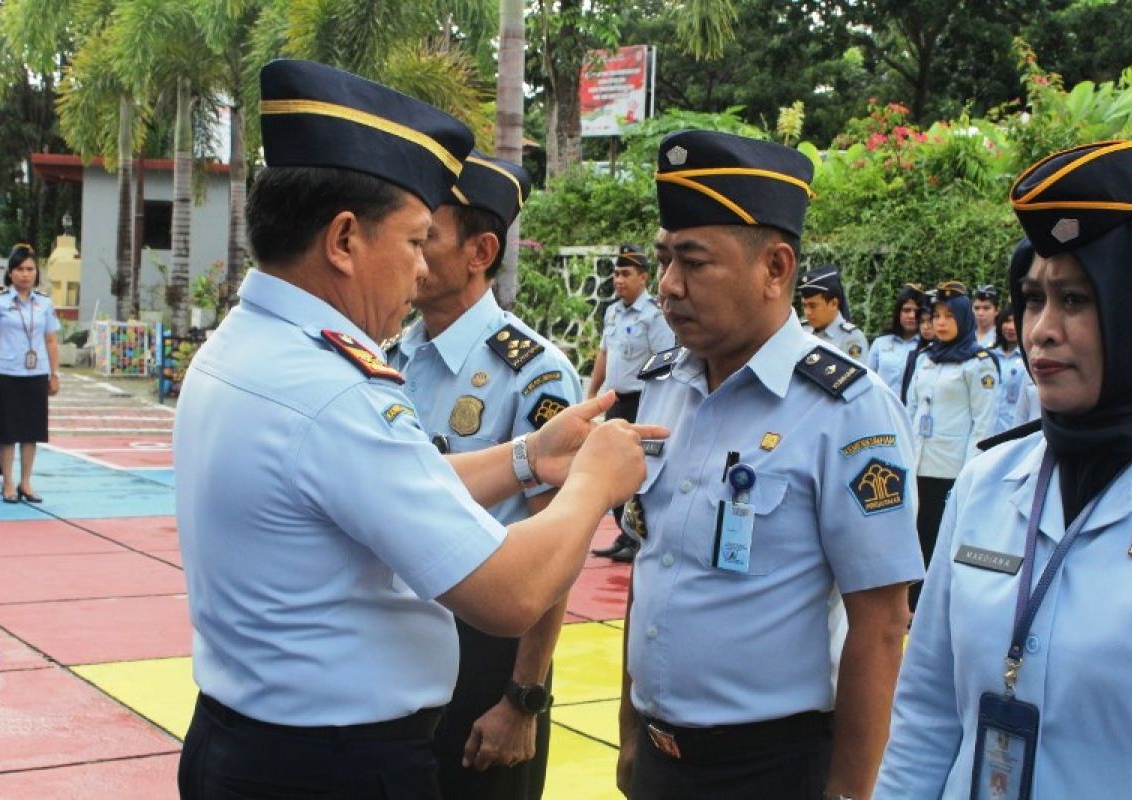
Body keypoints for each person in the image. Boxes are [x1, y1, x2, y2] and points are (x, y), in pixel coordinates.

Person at [173, 59, 666, 800]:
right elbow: (508, 593)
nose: (415, 272)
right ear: (343, 240)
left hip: (245, 740)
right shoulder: (333, 390)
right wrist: (595, 480)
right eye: (410, 242)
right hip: (331, 770)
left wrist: (531, 457)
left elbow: (386, 485)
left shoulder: (247, 346)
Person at [877, 140, 1132, 798]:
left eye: (1077, 299)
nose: (1042, 331)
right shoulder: (988, 483)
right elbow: (927, 718)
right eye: (1034, 298)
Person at [616, 130, 924, 800]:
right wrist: (630, 732)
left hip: (774, 769)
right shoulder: (663, 384)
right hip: (661, 759)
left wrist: (848, 793)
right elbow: (649, 563)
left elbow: (881, 624)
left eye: (694, 263)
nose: (668, 286)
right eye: (666, 259)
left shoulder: (848, 411)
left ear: (776, 268)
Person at [391, 150, 580, 800]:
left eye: (428, 237)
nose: (413, 255)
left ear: (481, 251)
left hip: (487, 651)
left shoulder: (535, 373)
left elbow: (557, 546)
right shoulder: (388, 354)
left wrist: (522, 699)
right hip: (391, 643)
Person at [904, 283, 998, 610]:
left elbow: (983, 422)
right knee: (916, 533)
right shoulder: (925, 359)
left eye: (948, 317)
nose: (941, 323)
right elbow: (911, 409)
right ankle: (912, 602)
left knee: (943, 537)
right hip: (919, 461)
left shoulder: (978, 362)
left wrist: (970, 470)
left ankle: (938, 604)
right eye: (936, 316)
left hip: (952, 466)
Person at [587, 239, 674, 563]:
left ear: (643, 277)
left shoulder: (654, 316)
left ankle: (638, 538)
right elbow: (604, 354)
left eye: (626, 273)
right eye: (616, 274)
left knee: (640, 474)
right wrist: (592, 393)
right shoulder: (611, 312)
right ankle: (625, 534)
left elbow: (665, 361)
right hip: (616, 401)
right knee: (613, 470)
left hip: (642, 402)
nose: (618, 280)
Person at [0, 243, 61, 504]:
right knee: (7, 431)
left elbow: (51, 341)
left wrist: (54, 374)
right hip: (6, 372)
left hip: (35, 374)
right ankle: (9, 483)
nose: (26, 274)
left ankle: (26, 482)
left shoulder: (44, 303)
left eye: (30, 269)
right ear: (10, 273)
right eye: (20, 269)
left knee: (31, 431)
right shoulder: (0, 303)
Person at [798, 265, 869, 360]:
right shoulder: (801, 330)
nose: (807, 312)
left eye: (813, 306)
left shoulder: (851, 339)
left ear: (833, 304)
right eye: (804, 305)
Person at [869, 283, 924, 397]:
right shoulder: (881, 343)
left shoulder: (927, 346)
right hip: (882, 408)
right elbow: (868, 379)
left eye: (917, 312)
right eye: (906, 310)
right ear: (898, 312)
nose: (912, 316)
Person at [988, 304, 1028, 436]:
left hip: (1012, 432)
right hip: (985, 432)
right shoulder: (988, 356)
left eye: (1016, 321)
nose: (1011, 327)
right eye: (1007, 321)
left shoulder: (1029, 359)